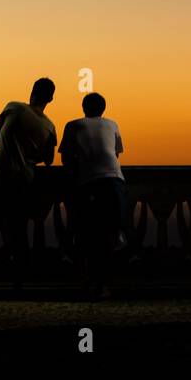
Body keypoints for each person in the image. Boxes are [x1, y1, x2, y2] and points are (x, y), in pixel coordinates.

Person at [0, 78, 58, 298]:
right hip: (24, 181)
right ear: (50, 99)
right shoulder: (50, 127)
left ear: (32, 92)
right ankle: (18, 286)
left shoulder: (14, 107)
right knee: (19, 234)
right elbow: (47, 160)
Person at [60, 92, 126, 297]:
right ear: (103, 109)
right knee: (109, 234)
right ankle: (102, 285)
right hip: (114, 180)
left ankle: (86, 282)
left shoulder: (72, 125)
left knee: (86, 234)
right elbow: (115, 154)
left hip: (88, 183)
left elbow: (65, 159)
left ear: (83, 107)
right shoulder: (113, 124)